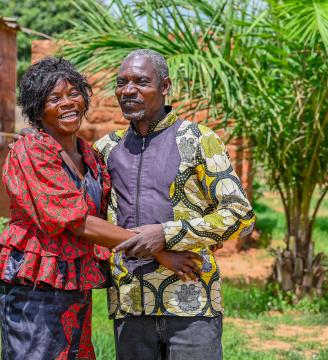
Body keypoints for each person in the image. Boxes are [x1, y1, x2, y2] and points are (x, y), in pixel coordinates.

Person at [0, 57, 205, 360]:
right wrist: (159, 251)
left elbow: (107, 216)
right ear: (37, 107)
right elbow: (77, 222)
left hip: (72, 279)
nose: (67, 103)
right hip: (37, 280)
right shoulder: (33, 150)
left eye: (73, 94)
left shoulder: (90, 154)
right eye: (54, 98)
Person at [93, 49, 256, 360]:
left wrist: (167, 233)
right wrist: (159, 249)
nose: (129, 90)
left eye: (141, 82)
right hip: (130, 302)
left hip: (191, 301)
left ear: (165, 87)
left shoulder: (197, 139)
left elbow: (239, 214)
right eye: (121, 82)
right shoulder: (105, 149)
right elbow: (96, 224)